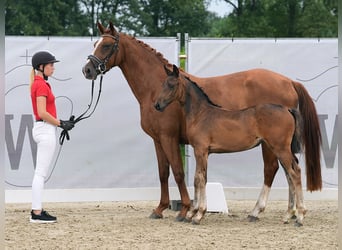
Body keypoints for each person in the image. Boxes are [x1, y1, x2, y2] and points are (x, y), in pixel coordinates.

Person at [29, 51, 74, 223]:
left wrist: (60, 122)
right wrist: (60, 124)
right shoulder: (40, 85)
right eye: (51, 65)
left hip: (45, 128)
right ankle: (37, 213)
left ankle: (37, 209)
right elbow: (41, 112)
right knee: (40, 174)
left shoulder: (39, 83)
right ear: (41, 67)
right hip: (45, 129)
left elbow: (44, 112)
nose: (53, 68)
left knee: (40, 173)